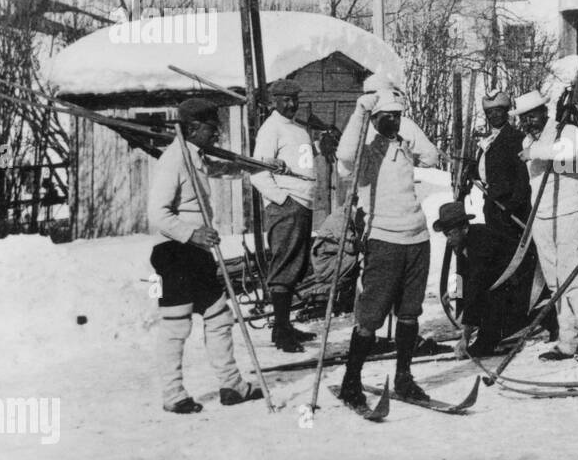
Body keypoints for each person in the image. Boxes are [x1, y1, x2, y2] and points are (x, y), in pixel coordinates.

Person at [147, 98, 265, 414]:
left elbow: (216, 169)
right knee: (176, 327)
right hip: (175, 253)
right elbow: (157, 214)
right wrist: (193, 233)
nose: (217, 134)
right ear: (195, 127)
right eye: (214, 128)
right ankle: (173, 395)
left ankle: (233, 386)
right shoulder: (174, 160)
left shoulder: (195, 157)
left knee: (219, 317)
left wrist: (247, 166)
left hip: (196, 254)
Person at [333, 79, 440, 408]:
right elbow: (344, 156)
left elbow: (432, 156)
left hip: (417, 238)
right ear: (374, 119)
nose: (394, 122)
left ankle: (404, 378)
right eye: (387, 117)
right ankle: (352, 382)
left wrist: (408, 130)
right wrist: (360, 111)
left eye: (398, 115)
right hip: (385, 239)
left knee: (409, 314)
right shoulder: (364, 151)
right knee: (372, 316)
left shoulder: (404, 141)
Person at [514, 89, 578, 362]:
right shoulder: (532, 139)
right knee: (554, 284)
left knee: (571, 280)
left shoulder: (566, 131)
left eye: (534, 115)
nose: (530, 122)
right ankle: (567, 341)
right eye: (524, 119)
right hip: (542, 217)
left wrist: (533, 152)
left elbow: (570, 151)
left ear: (545, 111)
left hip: (568, 214)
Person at [251, 78, 318, 351]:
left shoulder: (297, 128)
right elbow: (257, 172)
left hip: (303, 204)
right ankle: (281, 333)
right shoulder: (271, 129)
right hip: (288, 206)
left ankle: (285, 326)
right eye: (285, 100)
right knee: (284, 267)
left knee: (296, 266)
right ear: (274, 102)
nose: (291, 104)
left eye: (294, 99)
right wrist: (282, 199)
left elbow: (300, 162)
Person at [433, 201, 544, 356]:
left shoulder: (481, 242)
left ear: (464, 228)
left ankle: (489, 339)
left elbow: (475, 285)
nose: (448, 239)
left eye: (450, 234)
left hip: (528, 284)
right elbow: (463, 270)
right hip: (503, 281)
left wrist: (465, 336)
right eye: (446, 235)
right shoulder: (465, 239)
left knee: (487, 303)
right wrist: (453, 291)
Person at [474, 90, 531, 235]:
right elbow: (487, 170)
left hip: (511, 208)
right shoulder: (487, 140)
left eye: (498, 111)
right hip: (492, 204)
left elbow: (522, 176)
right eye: (489, 112)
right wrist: (472, 170)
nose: (493, 115)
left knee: (512, 248)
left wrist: (514, 204)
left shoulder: (517, 138)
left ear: (506, 112)